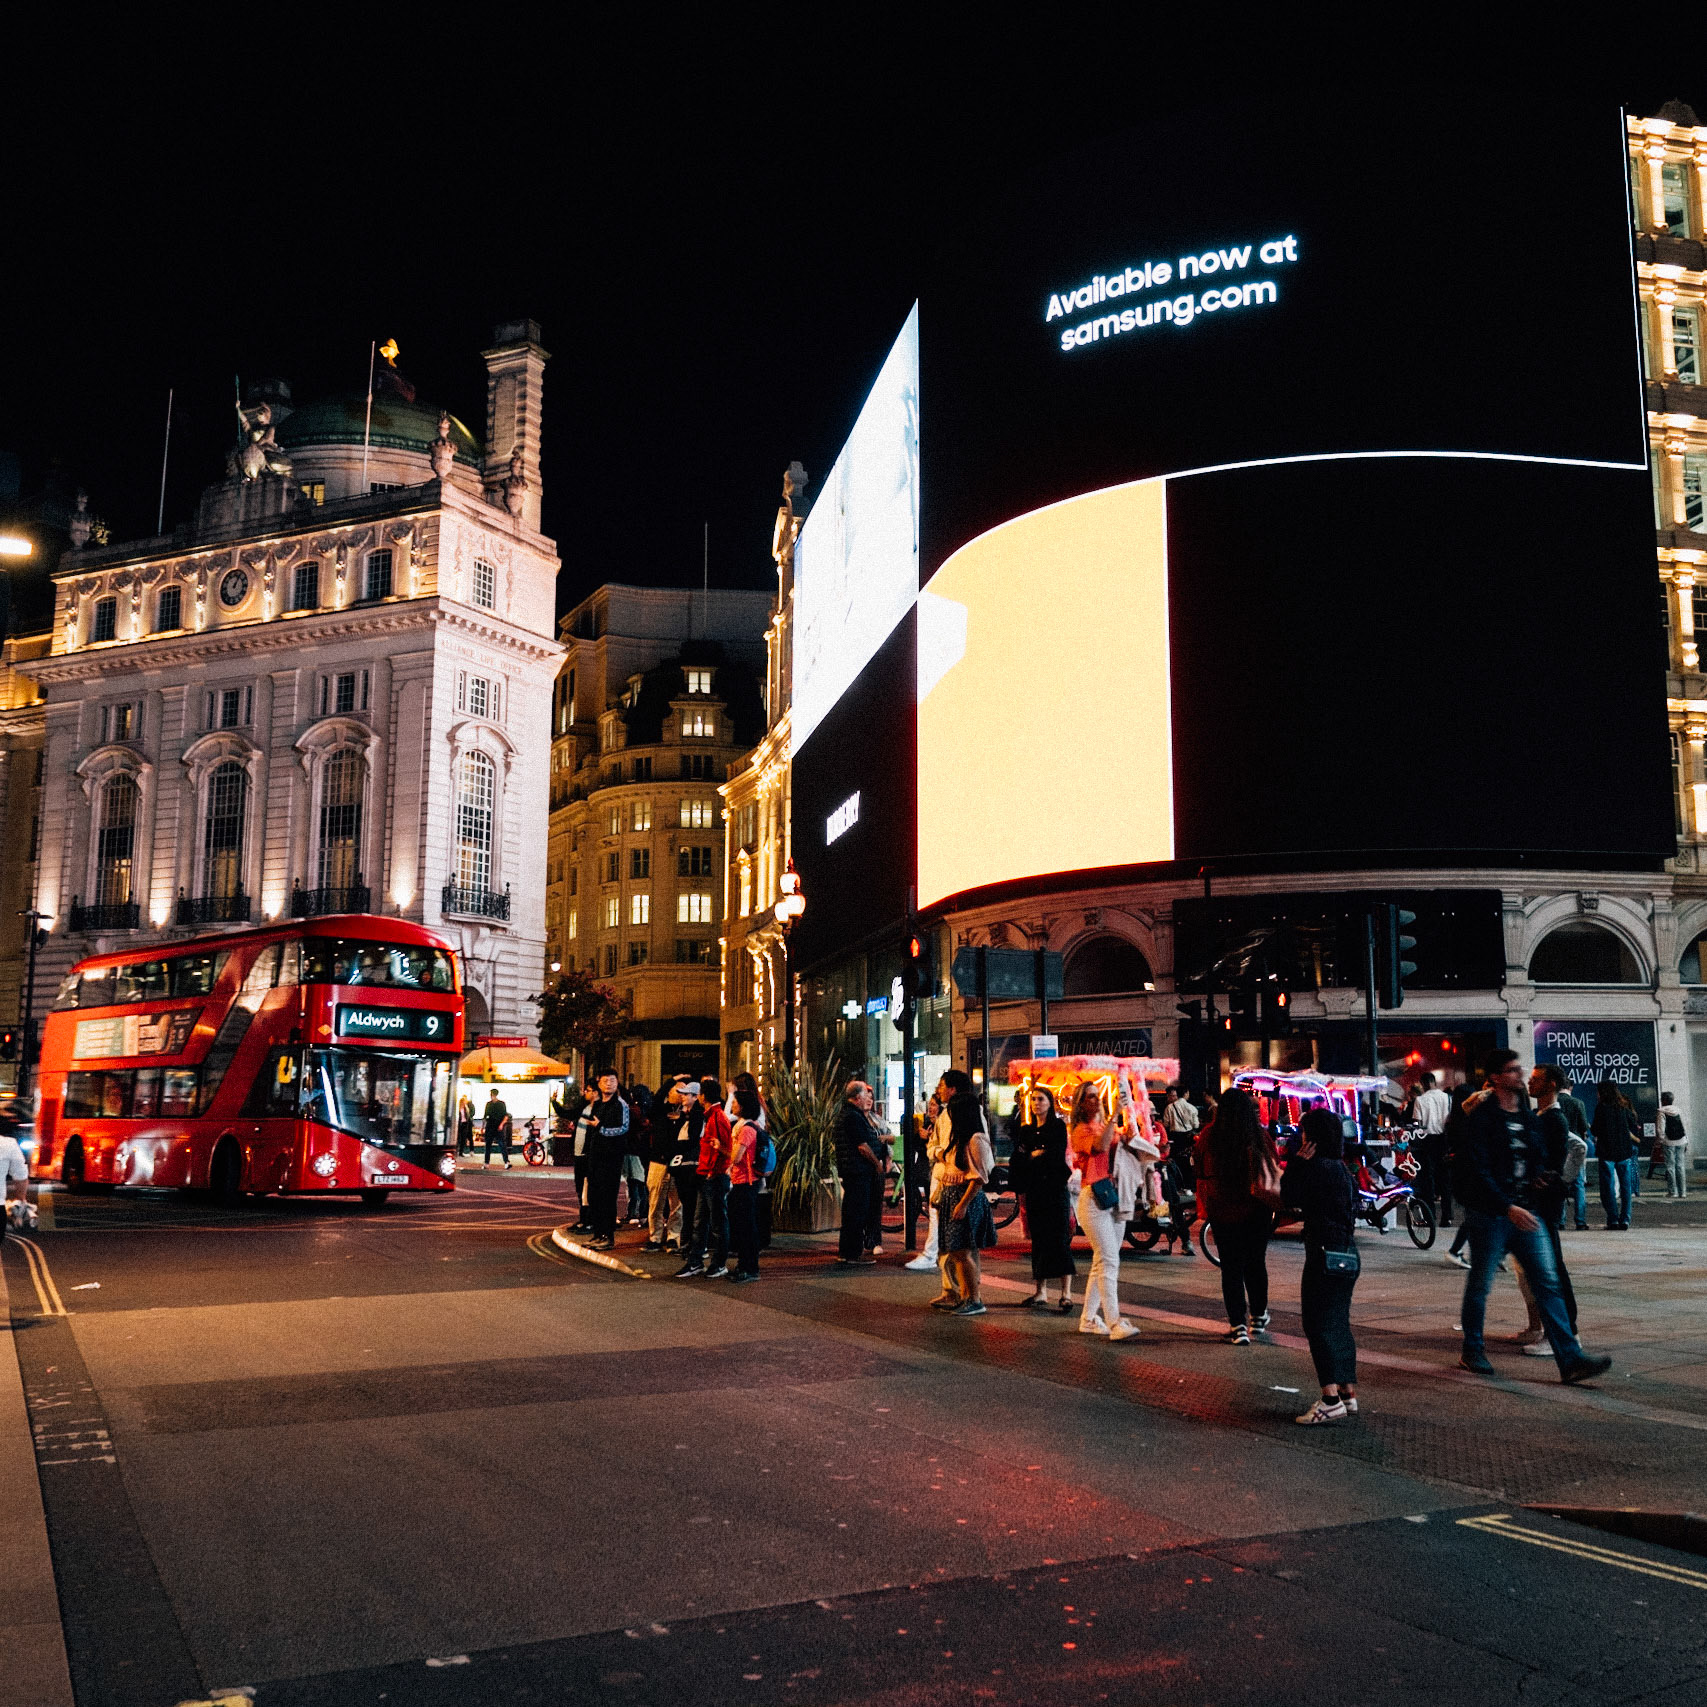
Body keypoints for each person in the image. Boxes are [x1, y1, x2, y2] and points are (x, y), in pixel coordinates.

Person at [1455, 1049, 1612, 1384]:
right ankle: (1473, 1349)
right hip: (1493, 1215)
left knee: (1548, 1282)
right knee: (1481, 1284)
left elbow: (1538, 1152)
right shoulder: (1483, 1119)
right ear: (1496, 1077)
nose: (1520, 1075)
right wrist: (1506, 1206)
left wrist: (1540, 1175)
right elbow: (1478, 1170)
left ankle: (1570, 1359)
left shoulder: (1527, 1116)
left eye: (1519, 1069)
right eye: (1512, 1071)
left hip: (1527, 1210)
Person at [1281, 1106, 1361, 1424]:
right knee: (1339, 1323)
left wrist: (1297, 1163)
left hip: (1323, 1254)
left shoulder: (1315, 1168)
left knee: (1316, 1324)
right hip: (1347, 1253)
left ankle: (1330, 1399)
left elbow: (1288, 1197)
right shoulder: (1341, 1169)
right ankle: (1347, 1392)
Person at [1195, 1087, 1279, 1344]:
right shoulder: (1258, 1135)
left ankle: (1237, 1326)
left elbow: (1199, 1170)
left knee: (1231, 1268)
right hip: (1257, 1210)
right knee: (1256, 1263)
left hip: (1223, 1210)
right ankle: (1258, 1316)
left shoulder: (1210, 1136)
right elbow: (1273, 1167)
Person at [1068, 1080, 1141, 1342]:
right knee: (1109, 1259)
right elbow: (1099, 1146)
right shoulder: (1079, 1130)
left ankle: (1088, 1319)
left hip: (1115, 1197)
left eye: (1097, 1096)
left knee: (1104, 1261)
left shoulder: (1106, 1125)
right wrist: (1113, 1118)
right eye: (1089, 1097)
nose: (1095, 1100)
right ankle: (1114, 1321)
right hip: (1093, 1198)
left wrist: (1130, 1122)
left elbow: (1128, 1142)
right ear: (1080, 1103)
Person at [1519, 1065, 1582, 1355]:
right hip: (1537, 1203)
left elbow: (1575, 1149)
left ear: (1552, 1084)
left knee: (1552, 1268)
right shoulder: (1540, 1116)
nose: (1530, 1083)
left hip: (1545, 1204)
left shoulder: (1555, 1119)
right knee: (1541, 1269)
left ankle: (1567, 1333)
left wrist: (1560, 1181)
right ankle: (1549, 1329)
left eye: (1536, 1080)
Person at [1010, 1085, 1076, 1312]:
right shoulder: (1026, 1130)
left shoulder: (1057, 1126)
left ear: (1050, 1102)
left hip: (1055, 1189)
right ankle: (1041, 1291)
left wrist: (1035, 1155)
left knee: (1059, 1239)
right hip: (1035, 1190)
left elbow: (1055, 1155)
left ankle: (1066, 1293)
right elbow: (1019, 1157)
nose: (1036, 1103)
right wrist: (1033, 1155)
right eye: (1034, 1099)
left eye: (1041, 1099)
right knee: (1038, 1240)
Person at [937, 1085, 996, 1315]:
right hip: (953, 1195)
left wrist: (962, 1204)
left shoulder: (976, 1139)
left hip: (965, 1198)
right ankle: (965, 1295)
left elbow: (980, 1177)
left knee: (962, 1252)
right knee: (956, 1251)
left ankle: (974, 1298)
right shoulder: (960, 1138)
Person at [675, 1079, 732, 1277]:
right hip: (706, 1175)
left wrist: (712, 1169)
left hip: (713, 1176)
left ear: (704, 1097)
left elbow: (727, 1150)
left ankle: (718, 1263)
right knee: (700, 1221)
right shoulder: (712, 1116)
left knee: (715, 1222)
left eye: (699, 1094)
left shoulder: (717, 1118)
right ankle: (696, 1261)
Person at [835, 1080, 883, 1266]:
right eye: (866, 1094)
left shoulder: (848, 1114)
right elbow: (862, 1146)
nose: (869, 1098)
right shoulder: (853, 1117)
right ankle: (853, 1253)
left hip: (852, 1170)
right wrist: (876, 1163)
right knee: (857, 1213)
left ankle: (846, 1252)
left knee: (851, 1212)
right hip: (858, 1171)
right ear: (856, 1097)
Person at [580, 1071, 631, 1249]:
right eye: (605, 1080)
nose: (609, 1084)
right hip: (595, 1156)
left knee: (608, 1198)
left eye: (612, 1080)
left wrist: (601, 1128)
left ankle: (608, 1236)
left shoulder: (621, 1105)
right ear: (599, 1084)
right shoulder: (598, 1104)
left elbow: (623, 1128)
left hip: (612, 1158)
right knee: (594, 1197)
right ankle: (598, 1233)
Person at [726, 1086, 765, 1281]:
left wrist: (727, 1148)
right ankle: (745, 1265)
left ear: (743, 1107)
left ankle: (749, 1268)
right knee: (744, 1225)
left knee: (746, 1226)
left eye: (734, 1103)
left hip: (746, 1182)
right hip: (744, 1181)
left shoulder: (747, 1130)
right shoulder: (748, 1127)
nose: (732, 1105)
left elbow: (736, 1157)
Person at [1592, 1078, 1640, 1230]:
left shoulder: (1601, 1108)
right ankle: (1625, 1219)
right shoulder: (1624, 1107)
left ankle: (1612, 1219)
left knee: (1608, 1188)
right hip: (1624, 1152)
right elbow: (1633, 1125)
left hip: (1607, 1152)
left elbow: (1595, 1130)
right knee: (1626, 1187)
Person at [642, 1080, 685, 1251]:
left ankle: (673, 1237)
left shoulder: (688, 1113)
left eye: (685, 1091)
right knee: (655, 1202)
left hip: (679, 1163)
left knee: (677, 1203)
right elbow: (655, 1102)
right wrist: (671, 1081)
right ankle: (655, 1237)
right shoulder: (660, 1110)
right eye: (678, 1090)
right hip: (658, 1162)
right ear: (669, 1092)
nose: (682, 1094)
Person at [665, 1082, 706, 1255]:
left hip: (690, 1165)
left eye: (687, 1094)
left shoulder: (697, 1115)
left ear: (696, 1097)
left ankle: (693, 1244)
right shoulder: (685, 1115)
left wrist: (678, 1148)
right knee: (687, 1205)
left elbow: (692, 1139)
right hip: (683, 1165)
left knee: (691, 1206)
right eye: (682, 1093)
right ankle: (687, 1242)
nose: (683, 1096)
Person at [903, 1094, 942, 1273]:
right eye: (930, 1104)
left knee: (936, 1211)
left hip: (937, 1171)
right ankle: (934, 1252)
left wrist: (929, 1140)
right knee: (933, 1209)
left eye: (934, 1104)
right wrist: (923, 1137)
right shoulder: (929, 1122)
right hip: (928, 1170)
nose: (931, 1108)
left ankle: (932, 1253)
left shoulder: (943, 1123)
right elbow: (920, 1147)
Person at [1412, 1073, 1452, 1222]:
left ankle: (1430, 1215)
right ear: (1434, 1082)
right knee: (1444, 1179)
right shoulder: (1447, 1098)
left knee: (1427, 1179)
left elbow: (1417, 1123)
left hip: (1426, 1140)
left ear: (1423, 1083)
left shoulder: (1420, 1100)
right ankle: (1447, 1216)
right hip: (1443, 1140)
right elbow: (1449, 1120)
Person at [1661, 1091, 1690, 1199]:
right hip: (1681, 1141)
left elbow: (1660, 1129)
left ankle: (1673, 1192)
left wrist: (1661, 1140)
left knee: (1670, 1167)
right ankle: (1683, 1192)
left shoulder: (1661, 1111)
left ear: (1663, 1100)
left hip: (1668, 1142)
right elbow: (1684, 1125)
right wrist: (1686, 1140)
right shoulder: (1679, 1110)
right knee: (1680, 1166)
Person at [481, 1087, 512, 1169]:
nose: (492, 1096)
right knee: (490, 1145)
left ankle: (505, 1162)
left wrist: (501, 1124)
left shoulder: (500, 1104)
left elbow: (505, 1116)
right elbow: (485, 1116)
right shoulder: (490, 1104)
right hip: (492, 1126)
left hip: (496, 1126)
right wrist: (483, 1127)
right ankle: (487, 1162)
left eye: (492, 1094)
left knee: (500, 1144)